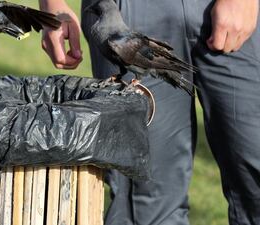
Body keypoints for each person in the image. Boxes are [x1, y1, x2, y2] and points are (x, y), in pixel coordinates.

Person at [39, 0, 260, 224]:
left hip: (235, 9)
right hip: (126, 8)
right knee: (147, 197)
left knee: (255, 174)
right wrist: (52, 4)